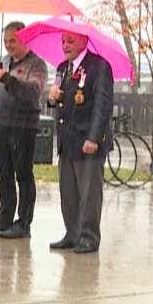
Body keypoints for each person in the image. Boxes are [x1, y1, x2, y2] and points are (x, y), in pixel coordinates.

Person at [47, 32, 113, 253]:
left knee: (89, 193)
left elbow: (102, 105)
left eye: (70, 41)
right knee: (69, 192)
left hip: (88, 141)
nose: (65, 45)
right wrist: (52, 98)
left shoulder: (99, 67)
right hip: (67, 140)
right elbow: (59, 103)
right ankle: (72, 233)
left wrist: (94, 138)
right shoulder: (62, 68)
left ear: (84, 41)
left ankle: (89, 236)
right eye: (63, 41)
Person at [0, 21, 48, 239]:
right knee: (4, 173)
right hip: (2, 124)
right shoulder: (5, 61)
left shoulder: (36, 65)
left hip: (23, 126)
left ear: (24, 38)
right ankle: (5, 218)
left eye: (12, 40)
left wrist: (8, 80)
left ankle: (23, 223)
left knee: (23, 174)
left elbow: (32, 93)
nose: (8, 45)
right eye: (5, 41)